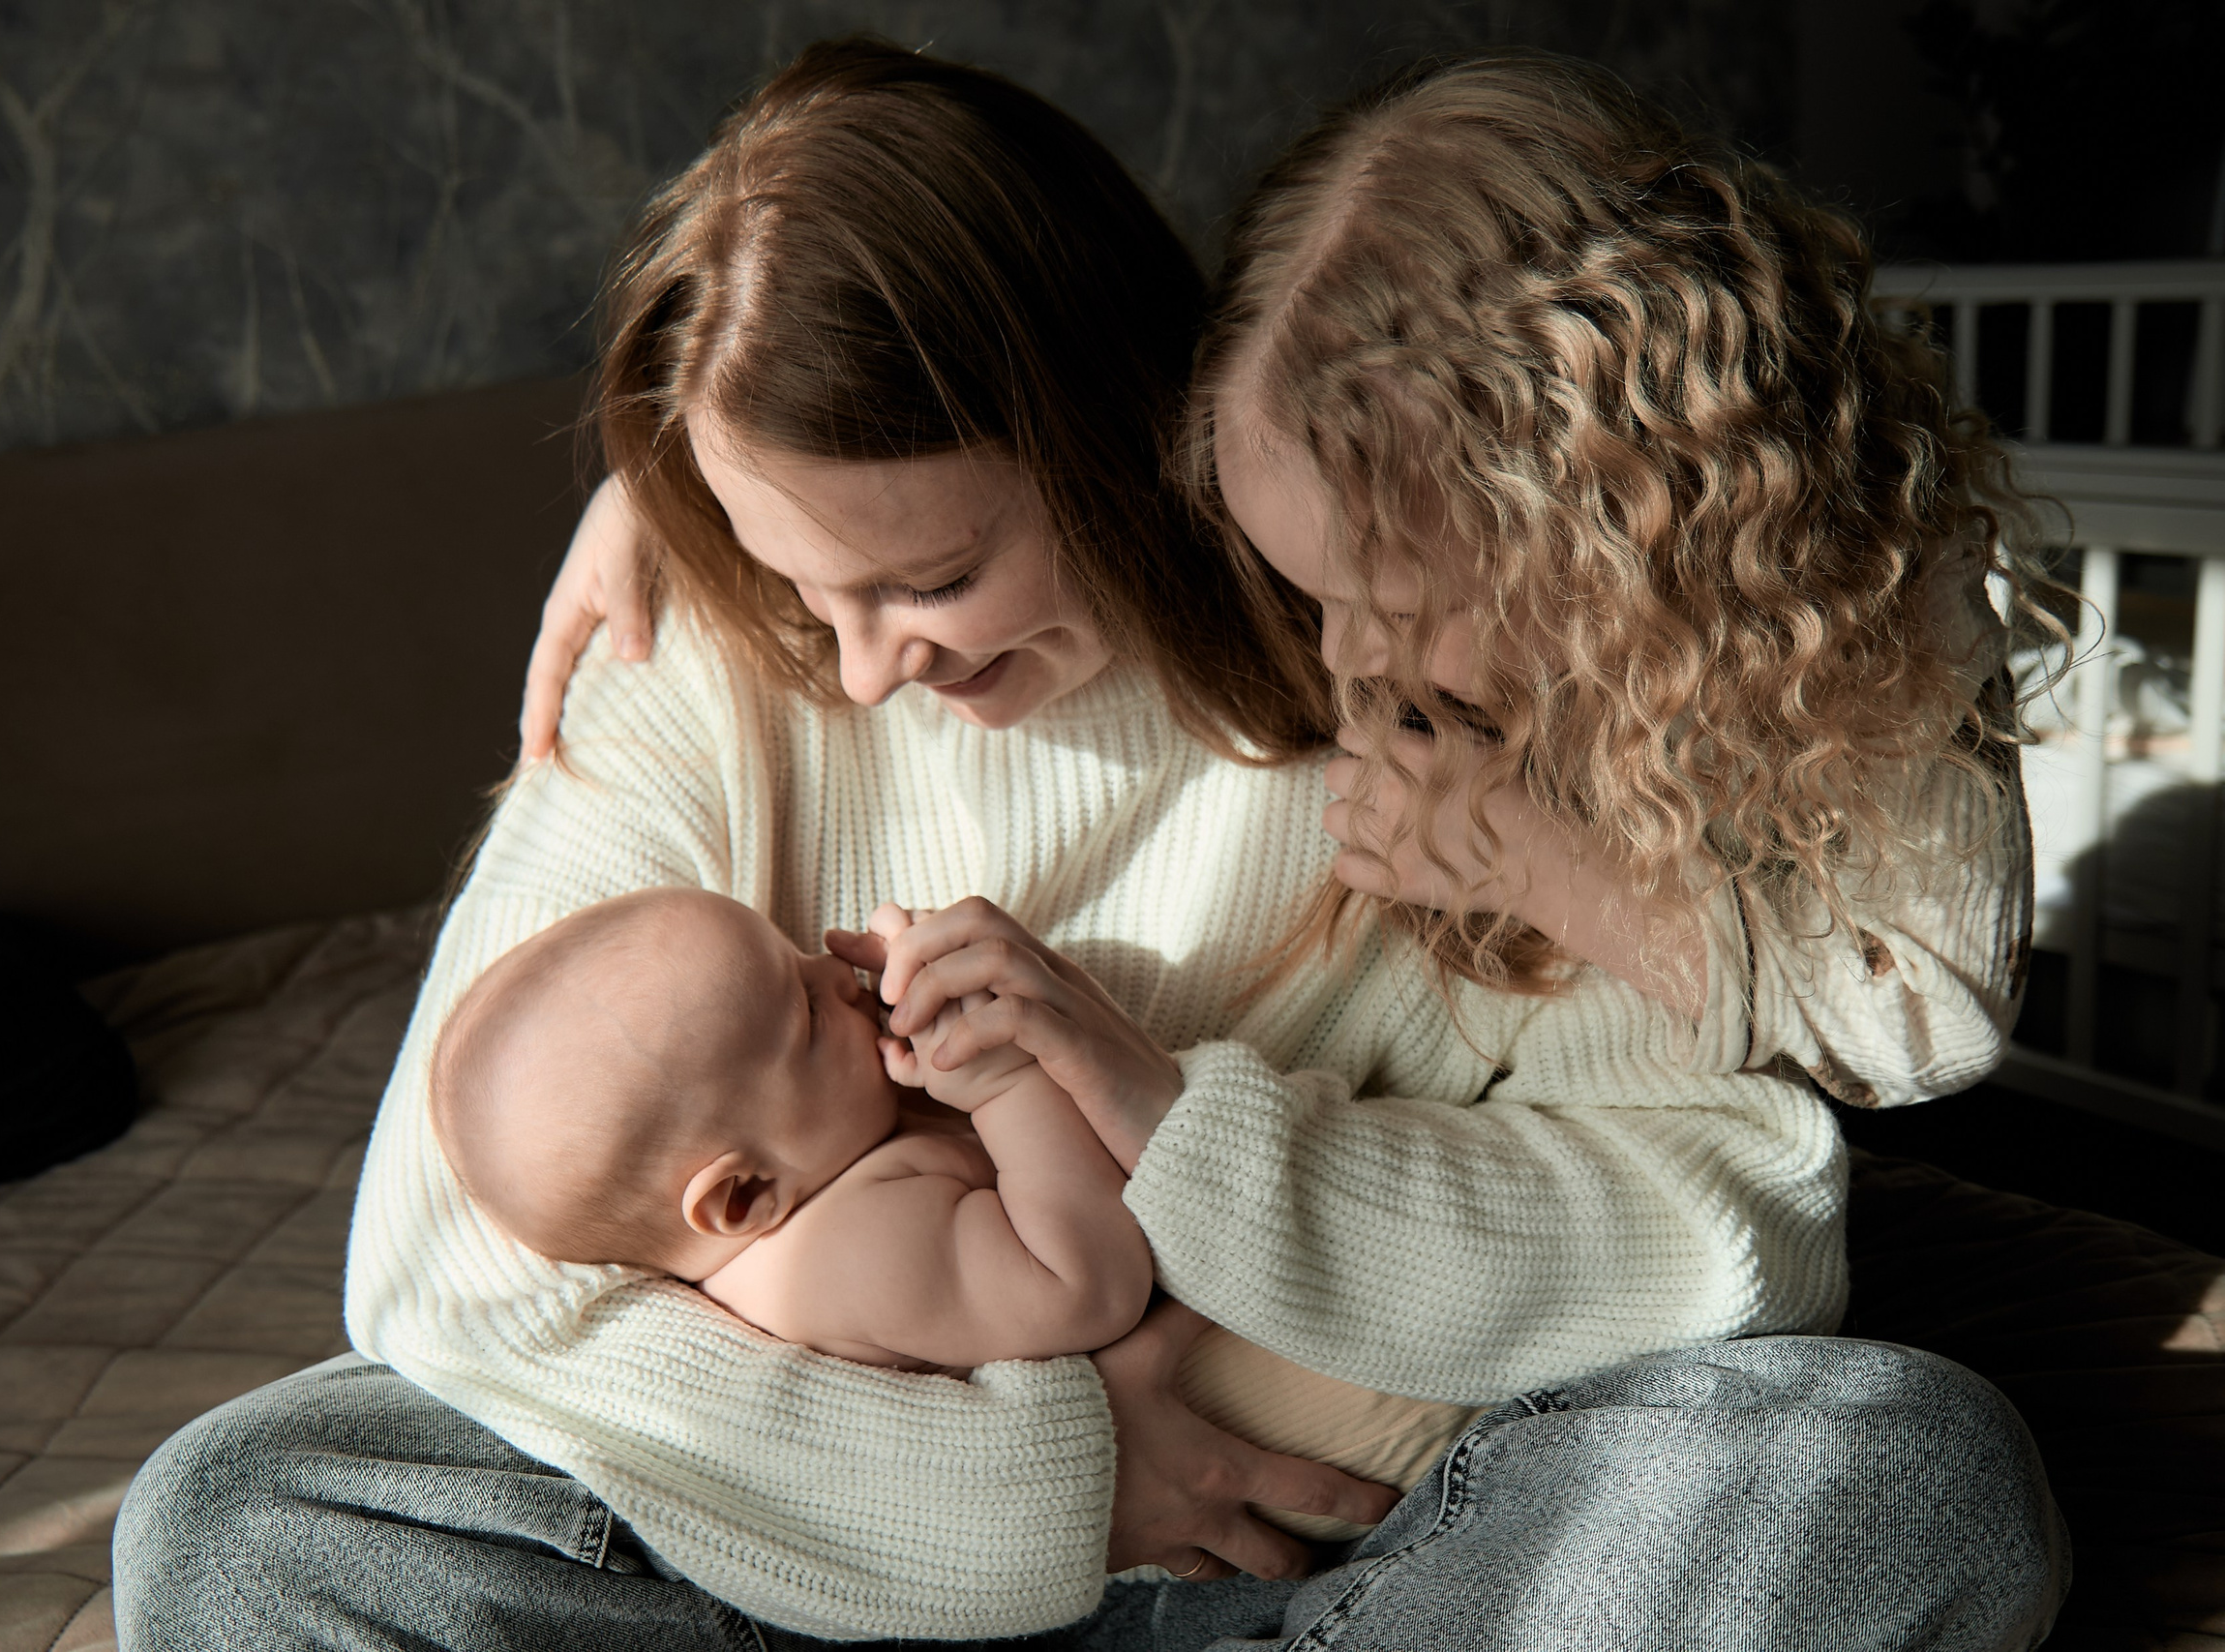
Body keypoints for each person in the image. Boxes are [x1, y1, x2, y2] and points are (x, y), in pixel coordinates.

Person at [116, 42, 2063, 1651]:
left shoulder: (1410, 608)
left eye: (936, 574)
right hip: (843, 1520)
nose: (863, 669)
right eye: (806, 593)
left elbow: (1720, 1213)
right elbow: (454, 1264)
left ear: (1116, 422)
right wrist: (1045, 1480)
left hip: (1369, 1525)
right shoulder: (713, 637)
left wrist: (1198, 1151)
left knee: (1878, 1471)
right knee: (248, 1514)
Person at [432, 886, 1476, 1535]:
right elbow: (1086, 1286)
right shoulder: (849, 1248)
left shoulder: (837, 1170)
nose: (836, 969)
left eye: (798, 949)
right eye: (804, 1007)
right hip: (1322, 1449)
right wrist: (1008, 1086)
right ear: (744, 1193)